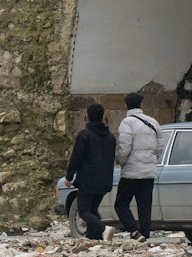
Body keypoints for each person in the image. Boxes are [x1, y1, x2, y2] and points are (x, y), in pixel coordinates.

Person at [113, 91, 163, 240]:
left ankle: (134, 231)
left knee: (121, 204)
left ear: (127, 105)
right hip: (149, 172)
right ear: (141, 104)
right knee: (144, 206)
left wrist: (120, 161)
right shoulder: (153, 122)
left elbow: (125, 148)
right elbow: (160, 147)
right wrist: (152, 160)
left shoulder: (127, 122)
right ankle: (145, 236)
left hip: (131, 172)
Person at [65, 103, 116, 240]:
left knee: (84, 211)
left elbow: (76, 157)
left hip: (87, 180)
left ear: (86, 118)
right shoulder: (110, 137)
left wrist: (69, 176)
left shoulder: (84, 135)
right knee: (93, 209)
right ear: (103, 117)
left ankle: (104, 229)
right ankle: (95, 238)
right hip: (104, 180)